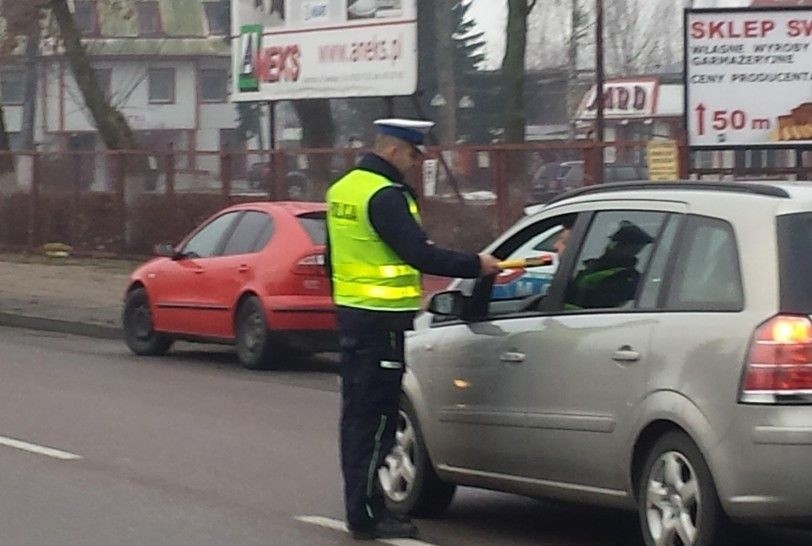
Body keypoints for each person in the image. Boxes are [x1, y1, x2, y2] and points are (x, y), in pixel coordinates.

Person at [326, 118, 501, 541]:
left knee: (356, 419)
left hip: (352, 318)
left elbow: (333, 258)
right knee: (379, 421)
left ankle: (361, 507)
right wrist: (476, 266)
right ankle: (368, 514)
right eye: (411, 154)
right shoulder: (385, 195)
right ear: (392, 150)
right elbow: (418, 254)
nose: (413, 162)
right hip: (382, 324)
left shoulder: (343, 189)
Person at [565, 220, 654, 309]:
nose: (609, 246)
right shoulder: (593, 266)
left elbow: (596, 302)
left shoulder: (625, 278)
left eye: (615, 243)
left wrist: (566, 287)